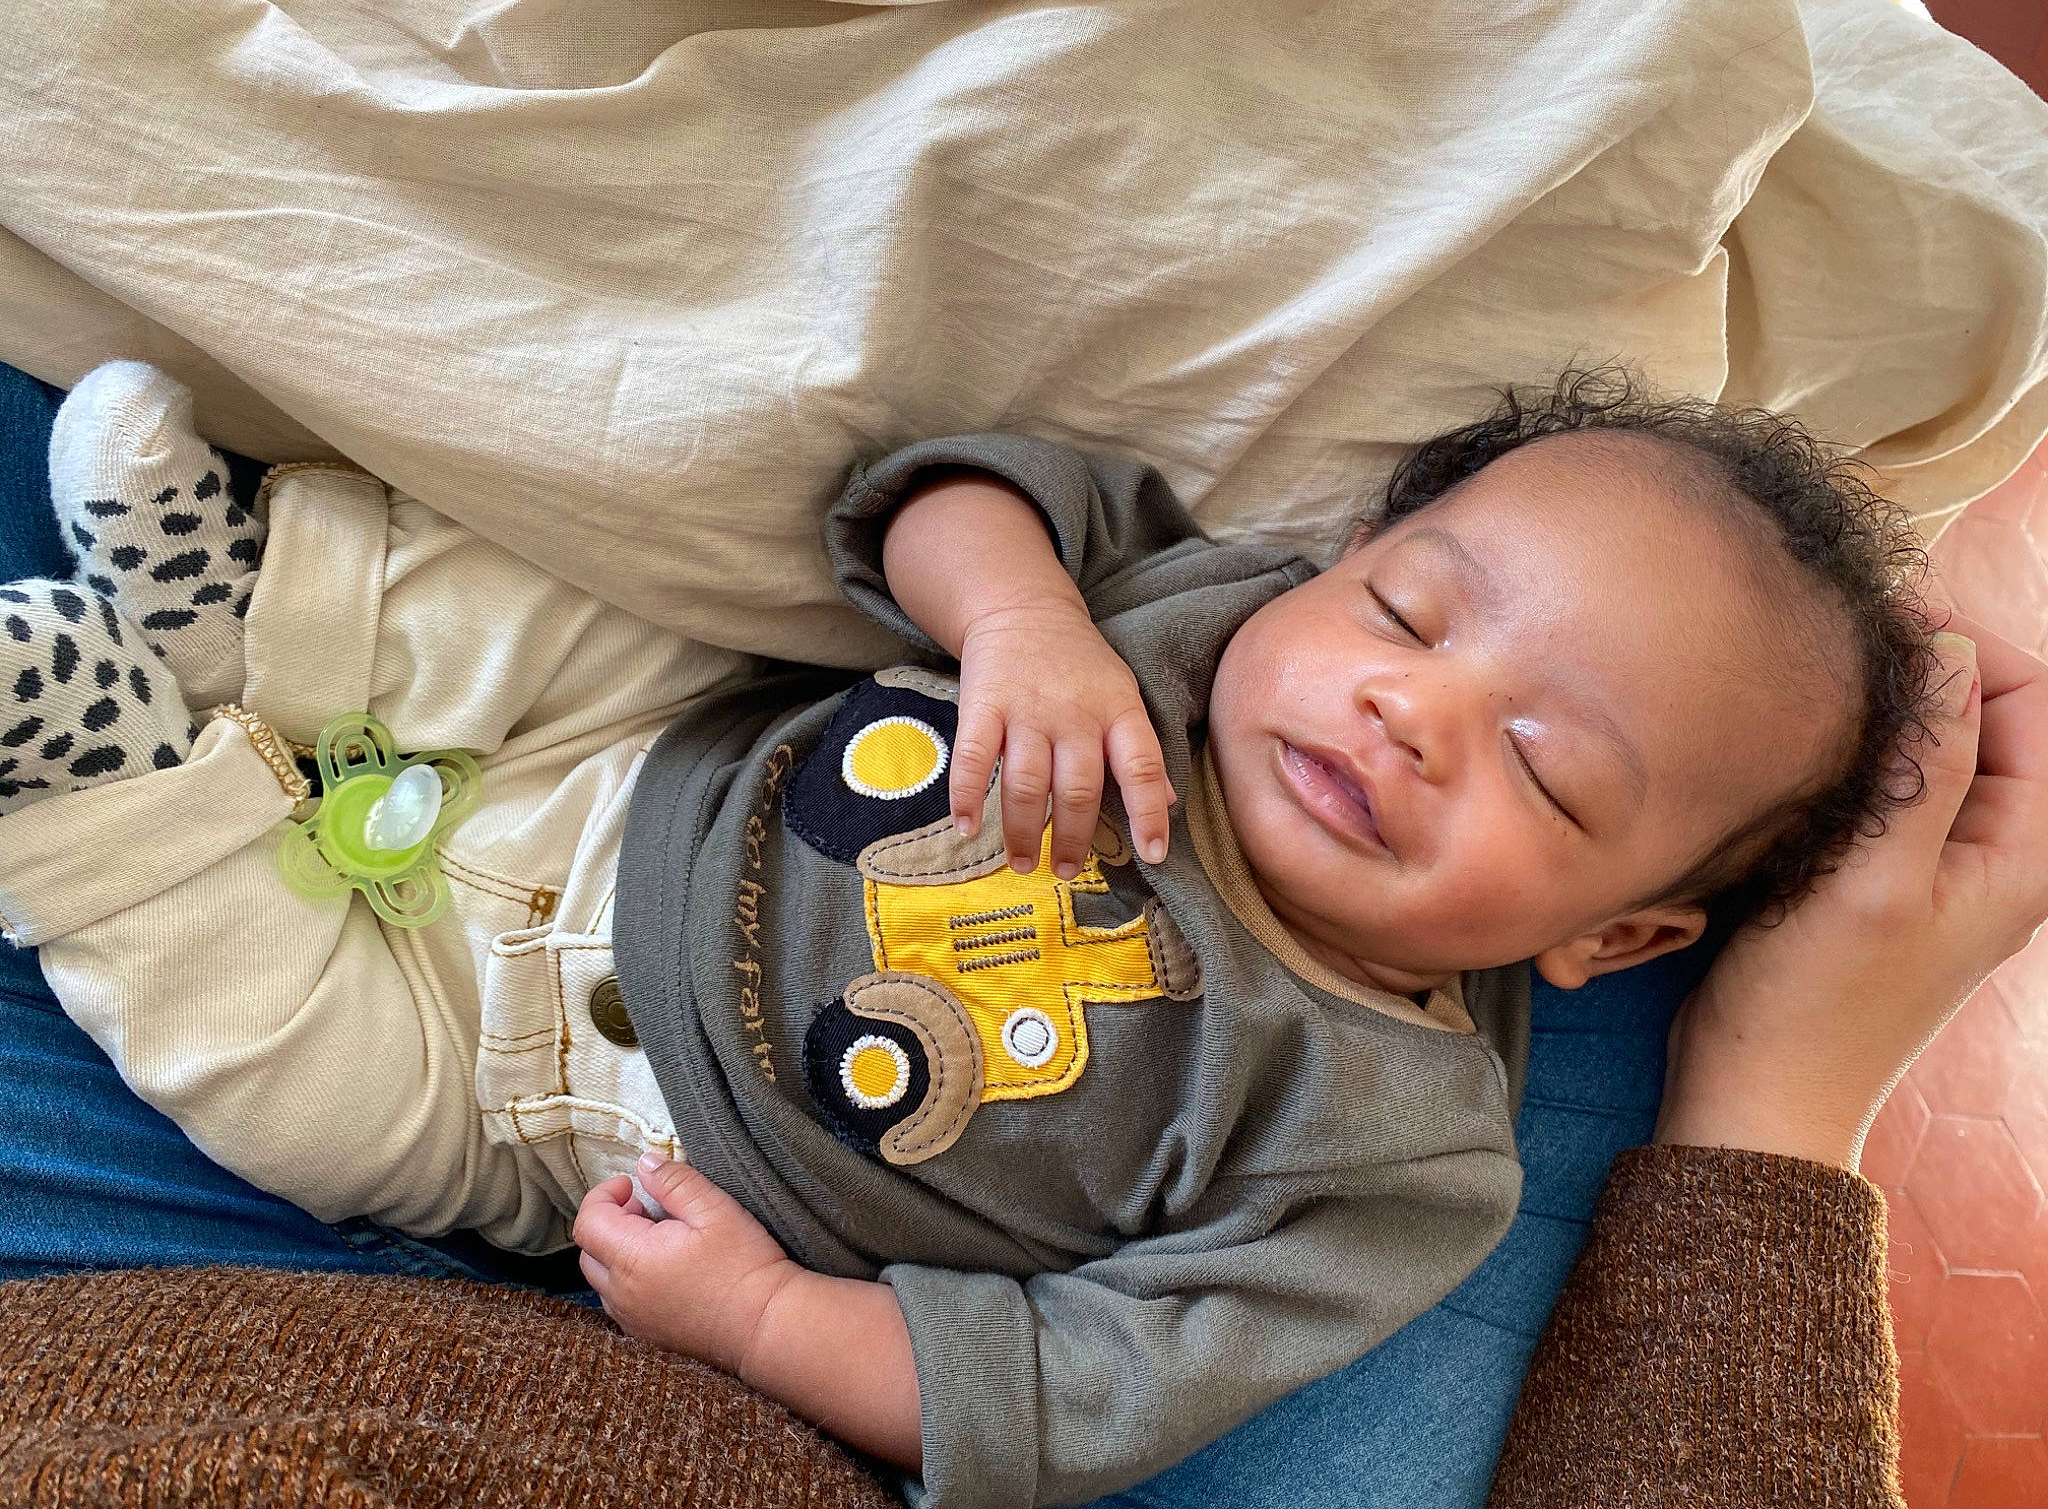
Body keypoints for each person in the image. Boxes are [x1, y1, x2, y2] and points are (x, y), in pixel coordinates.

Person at [0, 358, 1963, 1508]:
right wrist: (1018, 616)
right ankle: (249, 608)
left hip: (571, 1134)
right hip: (639, 772)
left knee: (287, 1089)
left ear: (1617, 940)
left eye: (1542, 770)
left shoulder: (1397, 1156)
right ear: (1336, 559)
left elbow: (1095, 1385)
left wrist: (766, 1324)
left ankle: (109, 788)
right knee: (576, 616)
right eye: (1406, 612)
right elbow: (933, 496)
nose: (1404, 715)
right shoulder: (1202, 623)